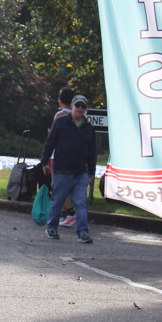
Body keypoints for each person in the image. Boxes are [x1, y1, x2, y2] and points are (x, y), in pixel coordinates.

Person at [41, 94, 96, 244]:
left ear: (86, 109)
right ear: (72, 106)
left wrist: (91, 172)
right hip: (62, 171)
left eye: (83, 106)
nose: (80, 108)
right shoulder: (60, 123)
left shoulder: (88, 128)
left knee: (81, 203)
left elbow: (92, 152)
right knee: (57, 201)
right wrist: (44, 162)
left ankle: (83, 232)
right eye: (77, 105)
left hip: (80, 172)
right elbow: (50, 143)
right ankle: (52, 228)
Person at [49, 88, 77, 227]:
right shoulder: (77, 115)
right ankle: (63, 213)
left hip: (59, 154)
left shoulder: (60, 115)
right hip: (72, 154)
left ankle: (71, 212)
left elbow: (55, 135)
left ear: (60, 100)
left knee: (58, 185)